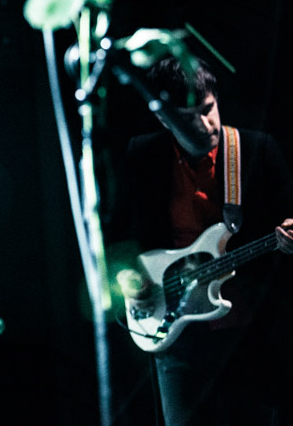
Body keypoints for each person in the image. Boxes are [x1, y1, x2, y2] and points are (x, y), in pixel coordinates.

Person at [111, 56, 293, 426]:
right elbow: (115, 237)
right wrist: (129, 279)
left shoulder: (257, 150)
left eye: (208, 109)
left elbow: (288, 221)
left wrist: (288, 239)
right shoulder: (142, 155)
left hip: (248, 334)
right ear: (164, 119)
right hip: (177, 334)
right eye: (186, 117)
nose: (204, 124)